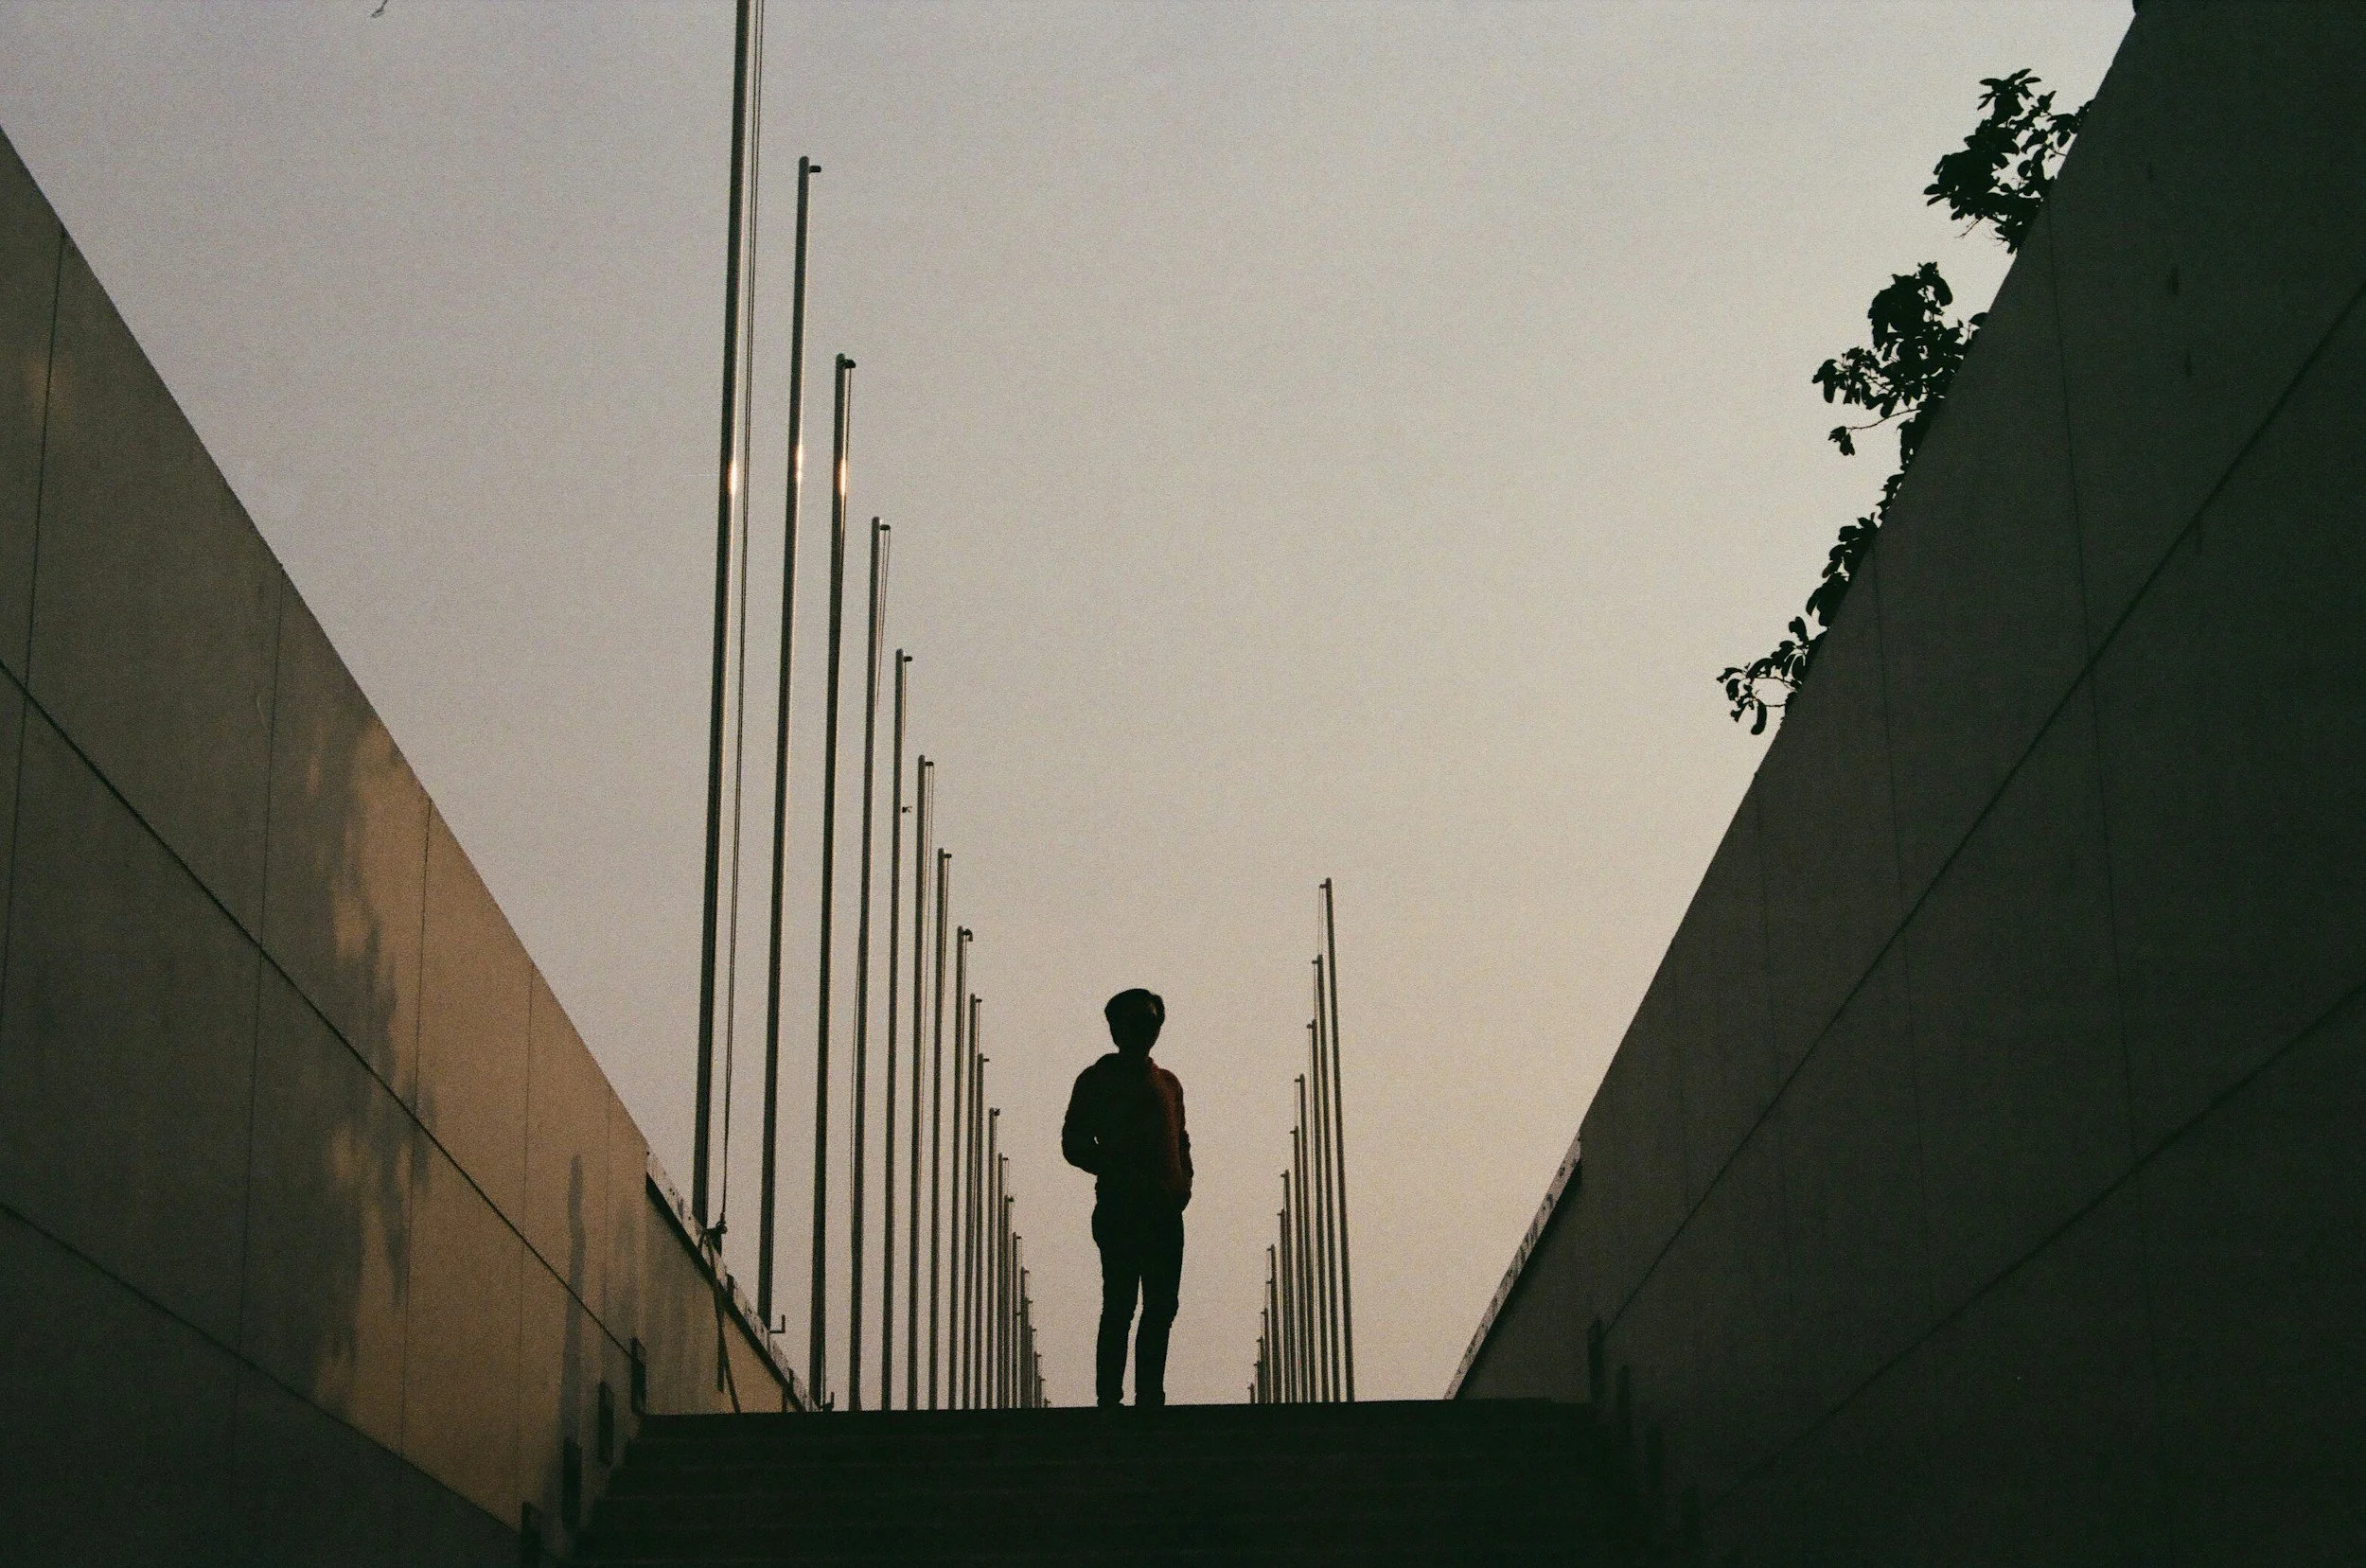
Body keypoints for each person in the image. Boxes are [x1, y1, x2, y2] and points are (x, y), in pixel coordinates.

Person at [1061, 987, 1192, 1408]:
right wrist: (1115, 1168)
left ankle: (1150, 1396)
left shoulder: (1169, 1084)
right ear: (1116, 1028)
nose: (1143, 1029)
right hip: (1120, 1210)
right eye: (1134, 1021)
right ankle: (1109, 1399)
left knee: (1162, 1306)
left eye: (1150, 1021)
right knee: (1119, 1304)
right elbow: (1074, 1142)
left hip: (1165, 1212)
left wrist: (1183, 1183)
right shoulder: (1097, 1079)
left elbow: (1181, 1140)